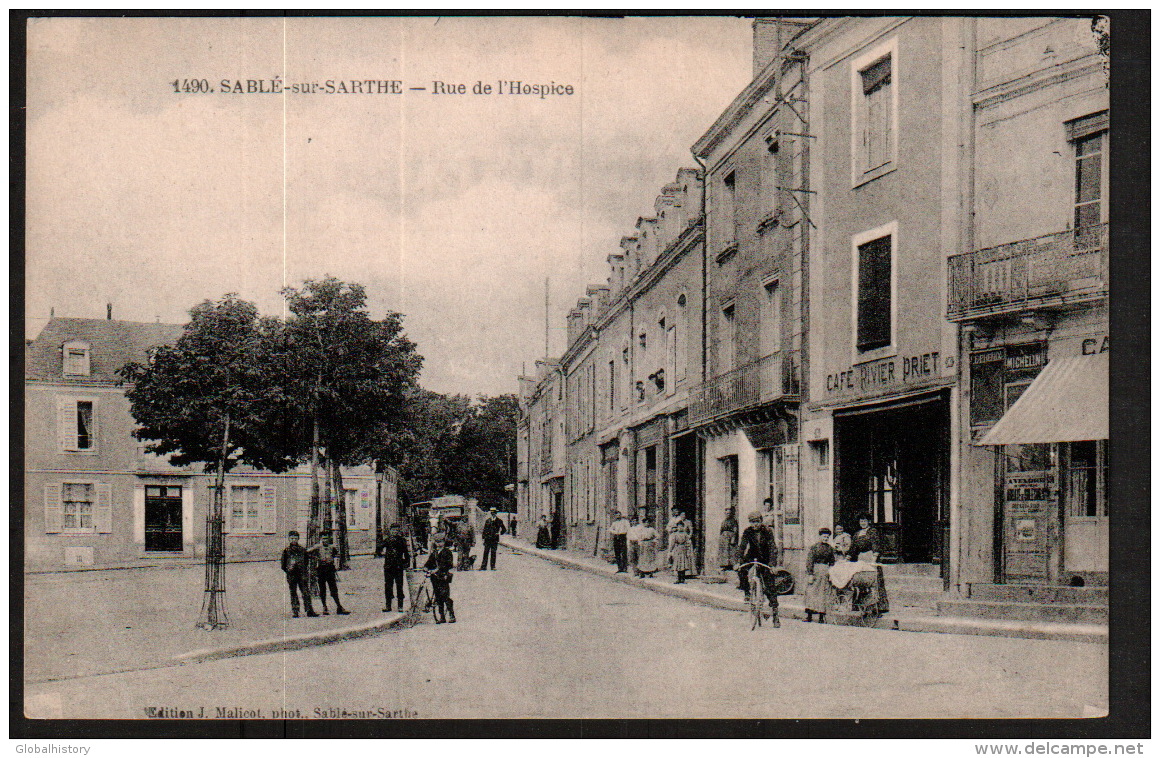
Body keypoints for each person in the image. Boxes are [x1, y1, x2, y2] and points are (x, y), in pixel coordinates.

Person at [738, 511, 780, 627]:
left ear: (761, 521)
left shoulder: (767, 531)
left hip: (765, 559)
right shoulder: (747, 531)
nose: (754, 524)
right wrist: (738, 561)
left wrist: (772, 564)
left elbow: (772, 548)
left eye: (757, 522)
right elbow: (742, 546)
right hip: (752, 555)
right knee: (741, 570)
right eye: (752, 522)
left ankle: (775, 617)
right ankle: (747, 592)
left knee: (770, 586)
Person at [307, 532, 350, 615]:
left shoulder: (332, 547)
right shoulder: (317, 547)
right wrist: (315, 558)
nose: (325, 540)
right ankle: (324, 607)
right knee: (322, 589)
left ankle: (339, 607)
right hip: (321, 569)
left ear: (329, 539)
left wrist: (336, 562)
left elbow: (337, 555)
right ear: (320, 539)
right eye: (323, 538)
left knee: (333, 589)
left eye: (326, 538)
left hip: (330, 569)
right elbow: (307, 552)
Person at [281, 531, 318, 618]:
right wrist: (289, 570)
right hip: (291, 575)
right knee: (293, 593)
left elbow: (306, 561)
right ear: (289, 539)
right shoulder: (286, 551)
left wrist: (302, 569)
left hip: (302, 574)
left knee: (305, 592)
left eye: (295, 538)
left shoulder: (302, 550)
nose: (294, 540)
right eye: (292, 538)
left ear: (298, 539)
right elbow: (283, 564)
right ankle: (295, 611)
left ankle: (309, 610)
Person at [804, 527, 837, 623]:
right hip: (815, 571)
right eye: (824, 536)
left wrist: (831, 572)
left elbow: (832, 562)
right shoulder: (814, 547)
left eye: (827, 537)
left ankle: (821, 617)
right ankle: (809, 616)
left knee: (823, 594)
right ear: (820, 536)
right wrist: (810, 574)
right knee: (811, 592)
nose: (825, 538)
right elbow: (810, 560)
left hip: (825, 572)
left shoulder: (830, 548)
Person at [424, 535, 456, 623]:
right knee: (438, 597)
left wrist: (438, 569)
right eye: (437, 542)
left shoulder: (447, 552)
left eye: (441, 542)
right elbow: (429, 562)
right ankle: (442, 616)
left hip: (443, 576)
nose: (439, 544)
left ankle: (451, 615)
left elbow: (449, 564)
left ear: (444, 542)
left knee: (445, 596)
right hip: (434, 578)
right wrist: (426, 567)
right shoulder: (434, 552)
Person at [380, 523, 411, 612]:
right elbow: (379, 548)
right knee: (388, 586)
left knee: (399, 586)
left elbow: (406, 553)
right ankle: (388, 606)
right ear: (390, 531)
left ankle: (400, 606)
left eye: (397, 530)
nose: (395, 532)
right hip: (388, 567)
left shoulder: (402, 541)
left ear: (399, 531)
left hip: (398, 567)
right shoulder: (387, 540)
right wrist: (381, 551)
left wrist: (406, 564)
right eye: (393, 530)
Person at [669, 519, 695, 583]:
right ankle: (679, 578)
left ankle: (683, 579)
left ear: (683, 527)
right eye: (678, 526)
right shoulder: (675, 534)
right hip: (677, 549)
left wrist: (688, 550)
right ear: (677, 527)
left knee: (683, 564)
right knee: (678, 564)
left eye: (681, 526)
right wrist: (671, 550)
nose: (680, 528)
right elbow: (673, 543)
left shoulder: (685, 534)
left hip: (684, 550)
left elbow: (688, 542)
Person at [716, 506, 739, 573]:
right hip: (724, 539)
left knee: (731, 551)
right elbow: (721, 530)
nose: (728, 514)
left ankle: (732, 565)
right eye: (726, 513)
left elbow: (735, 530)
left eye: (729, 513)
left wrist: (733, 538)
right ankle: (724, 565)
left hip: (730, 538)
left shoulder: (733, 521)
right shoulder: (724, 521)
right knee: (724, 552)